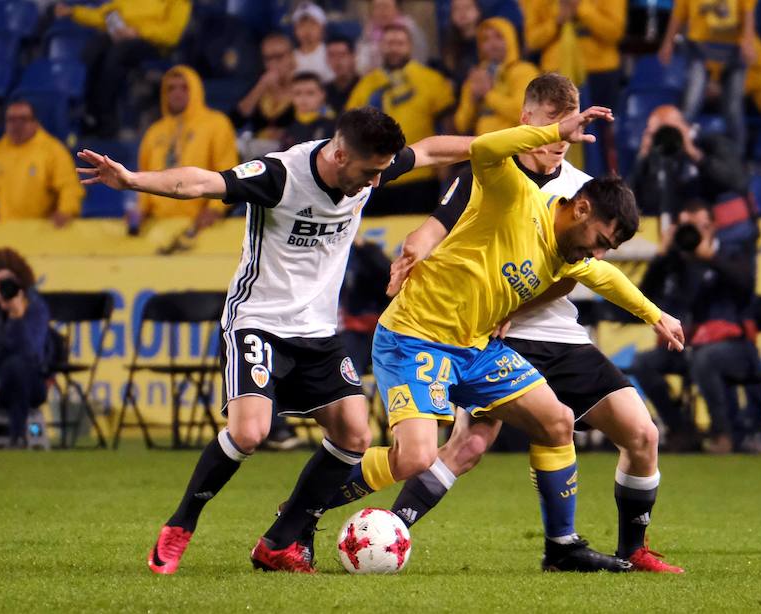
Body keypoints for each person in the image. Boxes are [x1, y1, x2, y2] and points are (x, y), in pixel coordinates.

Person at [77, 106, 473, 574]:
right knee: (249, 432)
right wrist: (134, 181)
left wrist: (509, 143)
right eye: (368, 173)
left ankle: (279, 542)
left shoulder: (370, 169)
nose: (372, 183)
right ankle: (180, 524)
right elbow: (201, 182)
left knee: (354, 434)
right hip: (258, 320)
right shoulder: (280, 175)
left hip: (318, 330)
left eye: (380, 173)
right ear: (341, 154)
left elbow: (428, 150)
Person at [317, 73, 685, 573]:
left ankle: (577, 547)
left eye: (565, 128)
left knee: (631, 432)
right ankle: (376, 522)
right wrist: (417, 249)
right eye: (550, 126)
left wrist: (655, 313)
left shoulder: (585, 194)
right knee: (457, 447)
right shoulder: (504, 176)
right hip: (476, 331)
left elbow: (595, 270)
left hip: (544, 334)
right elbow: (442, 216)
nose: (558, 139)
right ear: (527, 120)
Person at [630, 201, 761, 454]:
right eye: (686, 227)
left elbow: (746, 285)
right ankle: (681, 428)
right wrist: (662, 256)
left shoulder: (731, 255)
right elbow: (644, 297)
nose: (692, 233)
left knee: (705, 358)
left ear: (713, 227)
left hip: (735, 348)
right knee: (642, 363)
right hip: (690, 346)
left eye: (698, 226)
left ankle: (722, 434)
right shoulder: (676, 263)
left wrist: (711, 258)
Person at [347, 24, 456, 215]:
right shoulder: (367, 83)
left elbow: (447, 124)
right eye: (389, 43)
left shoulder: (430, 78)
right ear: (381, 47)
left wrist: (445, 168)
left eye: (399, 43)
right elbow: (350, 128)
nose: (394, 48)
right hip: (377, 176)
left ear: (410, 46)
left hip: (420, 173)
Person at [54, 0, 192, 137]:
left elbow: (172, 34)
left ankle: (107, 119)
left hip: (154, 44)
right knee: (95, 47)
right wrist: (73, 12)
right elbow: (104, 15)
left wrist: (138, 32)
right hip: (125, 38)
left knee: (118, 53)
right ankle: (88, 114)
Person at [522, 0, 627, 170]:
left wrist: (580, 7)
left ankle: (603, 187)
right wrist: (557, 21)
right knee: (557, 135)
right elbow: (532, 40)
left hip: (600, 72)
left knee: (602, 138)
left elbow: (614, 31)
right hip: (556, 73)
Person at [135, 66, 238, 233]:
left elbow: (227, 171)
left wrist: (215, 209)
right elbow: (145, 175)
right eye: (171, 88)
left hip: (202, 227)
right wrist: (141, 210)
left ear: (196, 89)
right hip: (159, 227)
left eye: (184, 87)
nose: (177, 93)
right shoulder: (154, 132)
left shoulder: (216, 124)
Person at [659, 0, 757, 153]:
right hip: (699, 48)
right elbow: (679, 12)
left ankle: (737, 160)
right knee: (690, 105)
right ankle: (677, 157)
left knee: (733, 109)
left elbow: (748, 11)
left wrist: (748, 40)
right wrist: (668, 42)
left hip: (734, 50)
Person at [629, 105, 749, 220]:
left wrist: (695, 155)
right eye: (658, 133)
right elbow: (640, 201)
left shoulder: (712, 142)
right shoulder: (661, 157)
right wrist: (643, 156)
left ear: (683, 125)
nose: (667, 137)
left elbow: (737, 182)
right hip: (681, 229)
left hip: (722, 226)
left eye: (669, 130)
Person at [0, 248, 51, 448]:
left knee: (18, 366)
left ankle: (18, 436)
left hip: (29, 380)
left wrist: (17, 315)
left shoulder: (34, 307)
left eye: (4, 282)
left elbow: (31, 354)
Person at [0, 100, 84, 226]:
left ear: (35, 123)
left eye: (23, 119)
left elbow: (69, 186)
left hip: (42, 231)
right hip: (7, 230)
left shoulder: (53, 150)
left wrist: (66, 210)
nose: (17, 124)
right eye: (11, 119)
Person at [453, 17, 539, 136]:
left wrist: (488, 94)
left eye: (499, 37)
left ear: (510, 39)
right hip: (484, 148)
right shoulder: (478, 75)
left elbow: (523, 113)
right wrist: (473, 100)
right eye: (485, 39)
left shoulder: (524, 71)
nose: (492, 44)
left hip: (515, 146)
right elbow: (461, 124)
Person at [340, 236, 392, 375]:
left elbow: (387, 273)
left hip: (378, 329)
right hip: (350, 330)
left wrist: (363, 247)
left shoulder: (367, 251)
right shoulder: (339, 253)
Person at [232, 32, 297, 141]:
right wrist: (261, 86)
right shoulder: (259, 84)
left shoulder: (305, 84)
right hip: (259, 150)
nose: (273, 63)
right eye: (268, 58)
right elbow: (236, 121)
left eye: (279, 57)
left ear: (291, 56)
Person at [356, 0, 430, 76]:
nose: (382, 12)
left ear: (397, 9)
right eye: (377, 7)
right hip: (376, 79)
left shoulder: (410, 29)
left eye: (386, 7)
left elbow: (420, 60)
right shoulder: (369, 30)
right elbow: (361, 65)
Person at [284, 72, 336, 148]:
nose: (303, 98)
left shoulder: (332, 125)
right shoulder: (287, 123)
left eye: (310, 93)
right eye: (297, 93)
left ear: (322, 94)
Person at [441, 0, 482, 90]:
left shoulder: (487, 40)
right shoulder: (450, 45)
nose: (462, 13)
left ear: (478, 11)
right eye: (456, 9)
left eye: (467, 8)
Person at [290, 2, 333, 80]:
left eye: (313, 24)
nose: (307, 30)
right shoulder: (290, 57)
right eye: (302, 25)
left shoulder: (330, 53)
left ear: (323, 28)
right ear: (295, 30)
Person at [325, 36, 360, 115]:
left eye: (342, 54)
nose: (337, 61)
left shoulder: (365, 86)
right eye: (332, 55)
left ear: (353, 57)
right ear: (327, 59)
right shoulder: (324, 91)